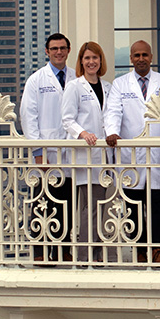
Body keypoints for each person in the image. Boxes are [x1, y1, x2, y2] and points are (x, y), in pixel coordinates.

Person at [104, 40, 160, 263]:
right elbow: (113, 111)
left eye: (145, 54)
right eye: (137, 55)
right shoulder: (120, 84)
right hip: (130, 155)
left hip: (157, 154)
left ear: (151, 57)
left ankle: (158, 249)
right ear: (131, 59)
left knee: (157, 205)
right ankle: (140, 249)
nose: (141, 58)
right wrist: (113, 132)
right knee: (133, 206)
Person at [21, 33, 76, 262]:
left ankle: (63, 251)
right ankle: (42, 252)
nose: (59, 52)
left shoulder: (75, 77)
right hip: (45, 154)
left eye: (62, 48)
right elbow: (28, 117)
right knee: (42, 205)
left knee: (66, 205)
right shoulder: (37, 80)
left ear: (68, 50)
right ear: (47, 51)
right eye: (54, 48)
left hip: (69, 154)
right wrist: (38, 154)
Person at [61, 41, 112, 262]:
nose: (91, 62)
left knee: (99, 205)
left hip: (105, 155)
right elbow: (67, 119)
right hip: (87, 154)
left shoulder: (108, 87)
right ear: (81, 61)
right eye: (87, 58)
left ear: (101, 60)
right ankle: (86, 255)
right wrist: (83, 133)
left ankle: (96, 252)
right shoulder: (74, 86)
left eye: (95, 58)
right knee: (90, 206)